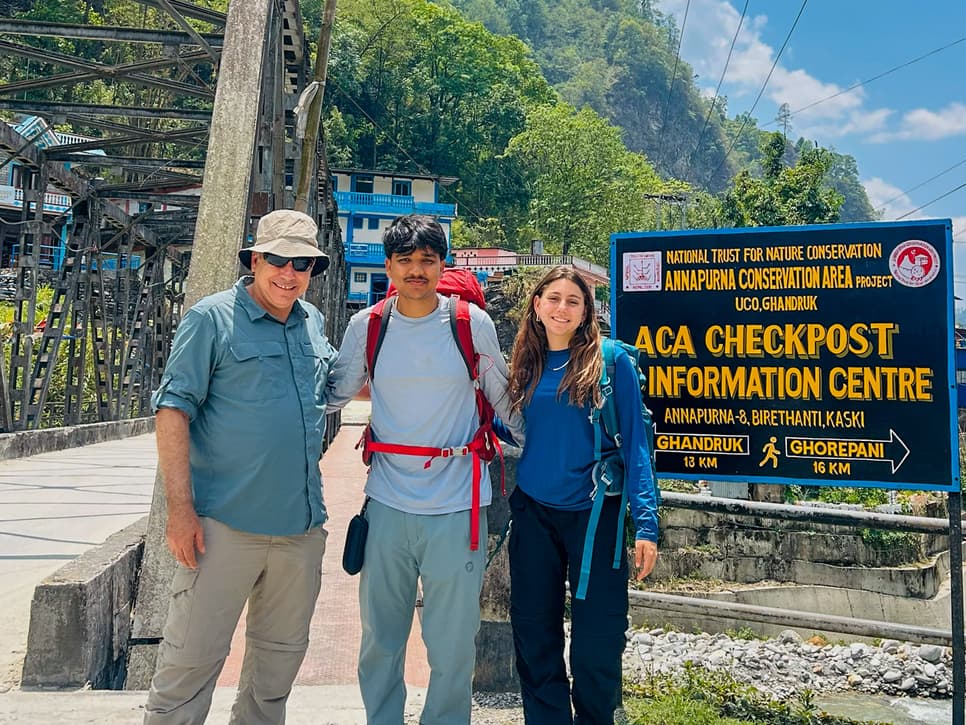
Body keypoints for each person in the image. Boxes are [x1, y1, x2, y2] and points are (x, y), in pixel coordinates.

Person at [326, 214, 523, 725]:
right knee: (380, 640)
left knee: (453, 645)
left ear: (442, 265)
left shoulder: (468, 323)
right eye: (406, 261)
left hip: (459, 505)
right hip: (388, 502)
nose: (416, 270)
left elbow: (502, 396)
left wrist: (554, 453)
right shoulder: (367, 325)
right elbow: (330, 395)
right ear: (388, 265)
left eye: (427, 261)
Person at [144, 209, 336, 725]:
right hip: (222, 526)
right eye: (277, 259)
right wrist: (179, 511)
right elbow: (171, 410)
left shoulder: (312, 322)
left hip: (300, 529)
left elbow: (342, 389)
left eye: (303, 263)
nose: (289, 272)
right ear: (255, 259)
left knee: (275, 674)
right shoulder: (211, 318)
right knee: (189, 665)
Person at [506, 265, 659, 725]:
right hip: (534, 513)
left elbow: (636, 444)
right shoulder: (525, 363)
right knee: (534, 634)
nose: (562, 308)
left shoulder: (611, 363)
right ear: (536, 305)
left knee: (599, 639)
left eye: (573, 301)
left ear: (586, 311)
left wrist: (646, 524)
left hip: (597, 515)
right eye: (553, 298)